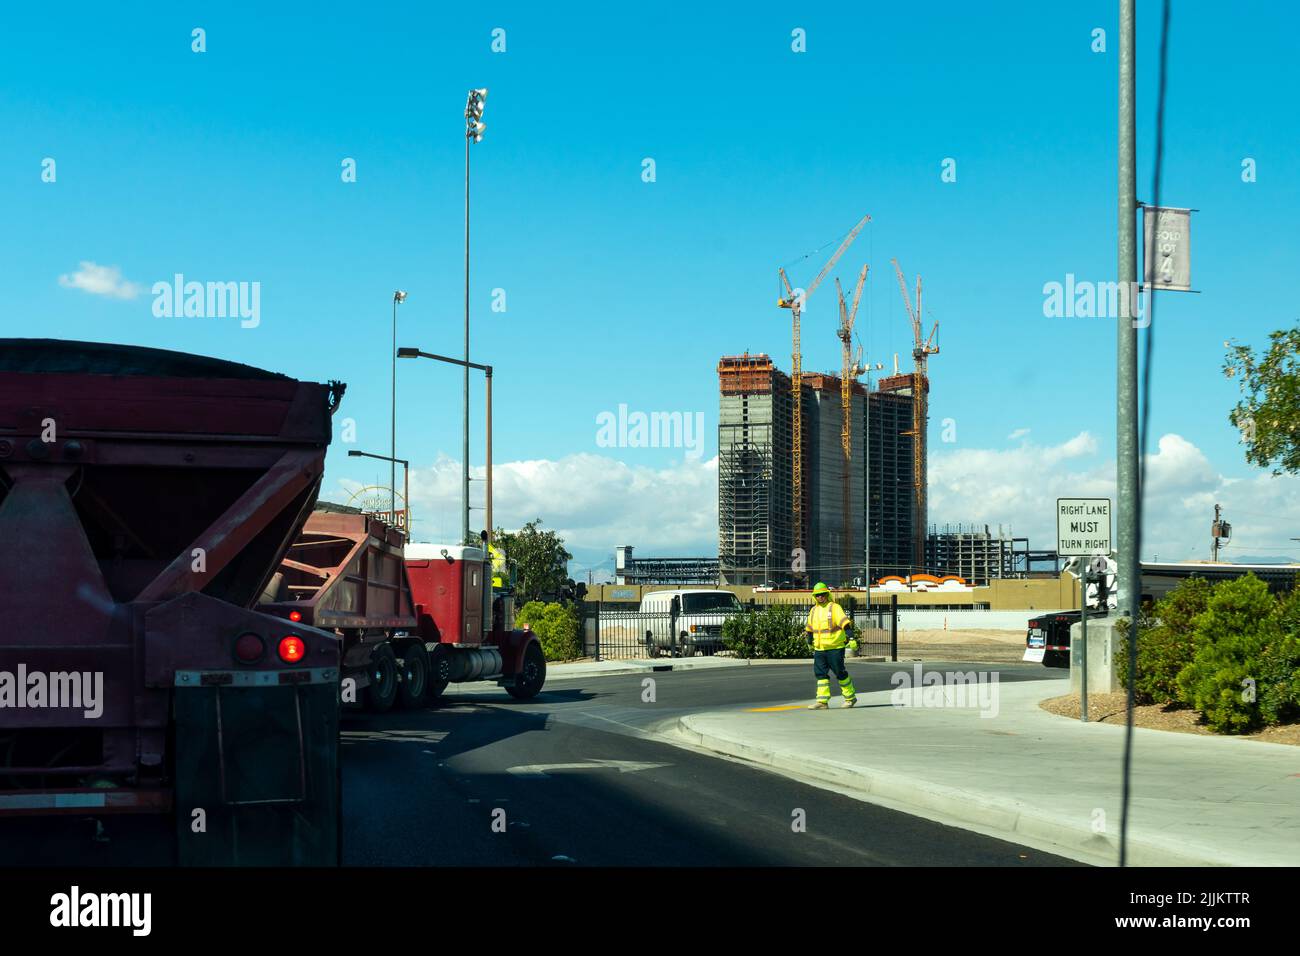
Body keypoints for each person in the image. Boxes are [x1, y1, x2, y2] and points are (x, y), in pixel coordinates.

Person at [804, 582, 858, 709]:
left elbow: (845, 624)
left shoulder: (834, 607)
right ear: (814, 596)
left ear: (827, 594)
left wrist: (851, 637)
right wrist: (809, 641)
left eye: (822, 594)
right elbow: (810, 628)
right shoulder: (813, 610)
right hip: (820, 648)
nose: (820, 597)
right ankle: (822, 702)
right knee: (820, 674)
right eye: (817, 595)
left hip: (835, 647)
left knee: (840, 673)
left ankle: (850, 698)